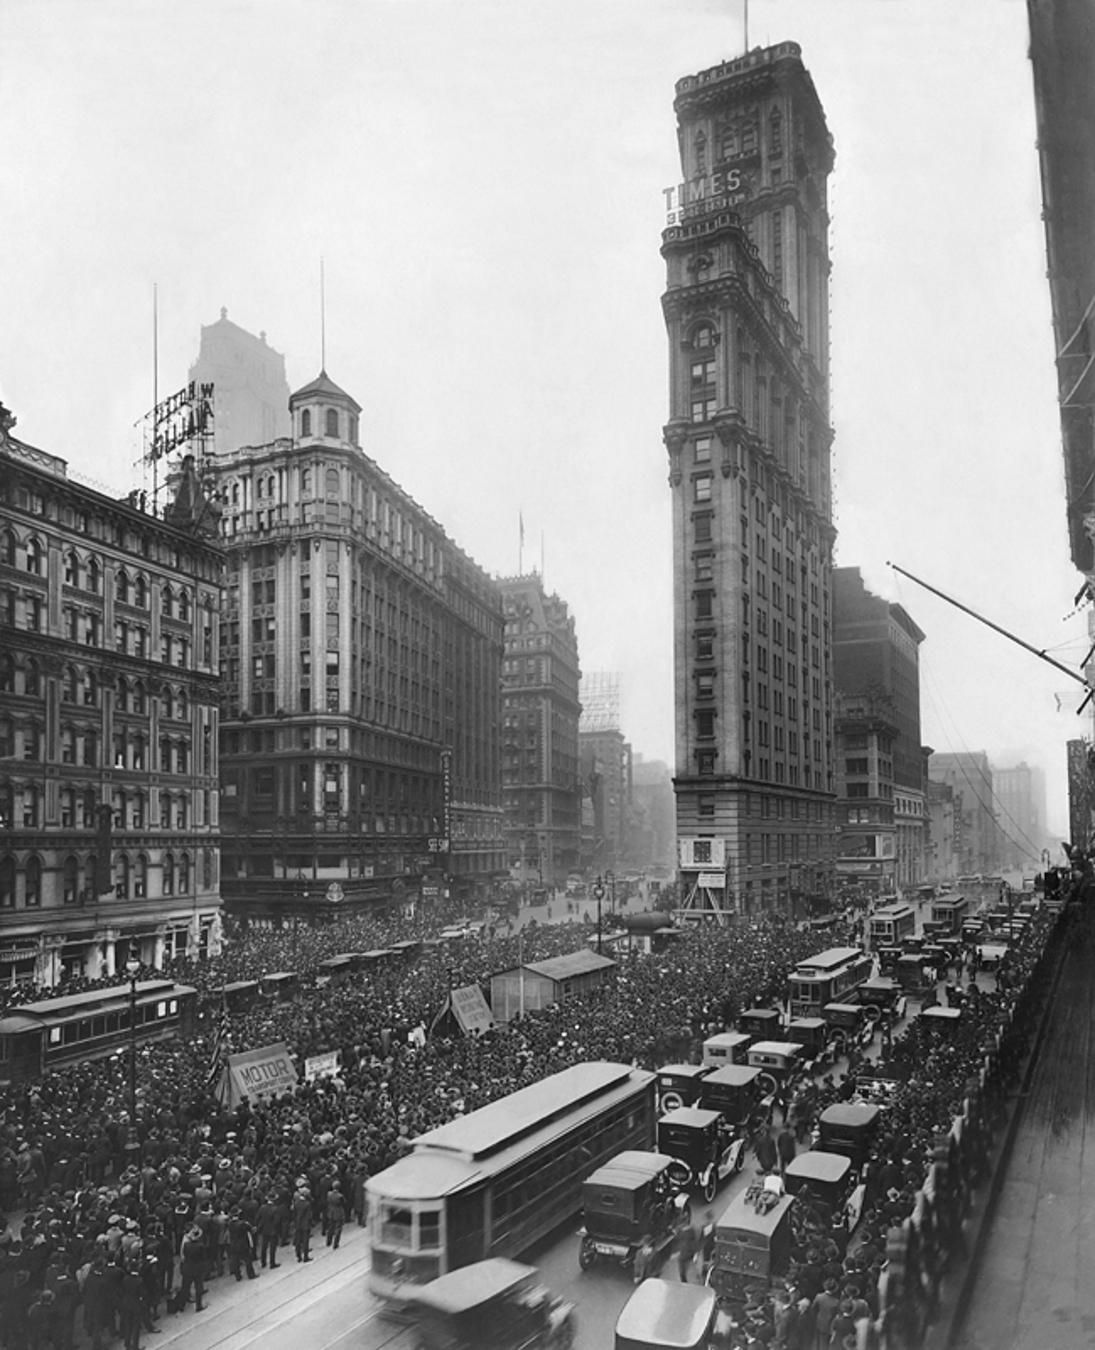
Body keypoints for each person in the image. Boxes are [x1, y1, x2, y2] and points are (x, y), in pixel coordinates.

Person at [177, 1224, 207, 1313]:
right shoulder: (201, 1246)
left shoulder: (186, 1245)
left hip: (187, 1268)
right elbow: (203, 1257)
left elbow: (184, 1255)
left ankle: (181, 1305)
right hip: (198, 1268)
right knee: (198, 1287)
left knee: (185, 1287)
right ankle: (199, 1305)